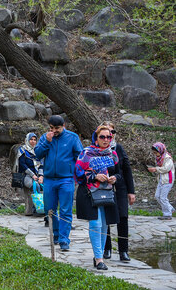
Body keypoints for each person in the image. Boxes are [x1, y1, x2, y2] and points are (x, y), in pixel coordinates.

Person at [34, 115, 83, 251]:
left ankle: (64, 239)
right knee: (49, 209)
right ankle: (56, 235)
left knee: (65, 210)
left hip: (66, 179)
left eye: (57, 128)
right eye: (51, 128)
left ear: (63, 126)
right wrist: (47, 142)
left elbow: (80, 157)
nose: (54, 130)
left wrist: (74, 172)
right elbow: (37, 154)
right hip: (49, 179)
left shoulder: (72, 138)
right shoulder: (45, 137)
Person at [74, 125, 120, 271]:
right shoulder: (87, 153)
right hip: (90, 193)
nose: (106, 140)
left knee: (105, 224)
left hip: (106, 193)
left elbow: (119, 173)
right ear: (96, 137)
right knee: (95, 224)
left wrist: (114, 178)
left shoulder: (113, 155)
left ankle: (97, 257)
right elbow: (78, 173)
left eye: (108, 137)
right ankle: (99, 258)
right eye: (102, 137)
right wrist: (94, 176)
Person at [102, 121, 135, 262]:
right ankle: (107, 248)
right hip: (104, 187)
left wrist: (131, 191)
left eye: (112, 132)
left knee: (123, 218)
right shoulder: (98, 149)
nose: (110, 135)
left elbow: (127, 169)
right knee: (106, 219)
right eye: (107, 133)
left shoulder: (119, 148)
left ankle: (123, 251)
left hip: (120, 187)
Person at [15, 132, 43, 216]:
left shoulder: (38, 151)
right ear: (27, 140)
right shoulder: (22, 150)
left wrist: (41, 176)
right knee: (36, 186)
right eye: (31, 139)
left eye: (35, 140)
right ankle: (36, 209)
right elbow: (22, 165)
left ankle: (43, 209)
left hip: (37, 176)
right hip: (26, 175)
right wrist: (33, 175)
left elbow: (41, 164)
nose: (33, 141)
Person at [148, 142, 174, 220]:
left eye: (156, 152)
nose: (155, 154)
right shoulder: (159, 158)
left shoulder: (167, 158)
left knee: (163, 197)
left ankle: (167, 214)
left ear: (161, 150)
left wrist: (156, 169)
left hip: (167, 180)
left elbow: (166, 168)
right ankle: (170, 208)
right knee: (157, 196)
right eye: (154, 153)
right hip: (161, 179)